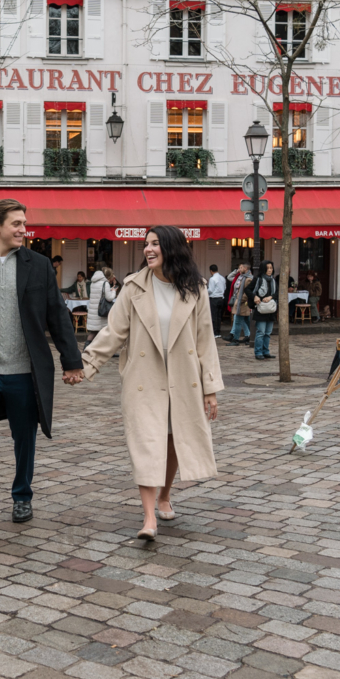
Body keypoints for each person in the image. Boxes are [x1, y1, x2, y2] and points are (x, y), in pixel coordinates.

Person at [0, 199, 83, 550]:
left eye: (25, 223)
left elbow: (57, 315)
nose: (24, 229)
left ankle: (22, 494)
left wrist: (72, 360)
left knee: (25, 440)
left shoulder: (38, 266)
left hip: (26, 372)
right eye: (17, 223)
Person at [78, 225, 222, 540]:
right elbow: (113, 332)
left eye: (155, 244)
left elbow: (205, 341)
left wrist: (210, 389)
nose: (148, 249)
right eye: (146, 244)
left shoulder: (195, 288)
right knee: (147, 441)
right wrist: (85, 364)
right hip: (144, 377)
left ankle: (165, 495)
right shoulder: (133, 287)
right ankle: (148, 519)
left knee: (172, 440)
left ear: (172, 248)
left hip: (183, 378)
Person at [251, 261, 278, 360]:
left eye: (271, 268)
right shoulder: (258, 279)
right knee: (261, 332)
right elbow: (248, 290)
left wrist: (270, 297)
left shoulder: (273, 280)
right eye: (268, 268)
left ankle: (266, 351)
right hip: (261, 309)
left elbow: (277, 293)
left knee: (268, 333)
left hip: (270, 309)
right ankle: (258, 352)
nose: (270, 270)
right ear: (263, 269)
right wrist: (255, 297)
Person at [228, 264, 253, 345]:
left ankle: (235, 340)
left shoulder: (248, 278)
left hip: (242, 303)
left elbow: (247, 293)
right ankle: (247, 337)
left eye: (241, 268)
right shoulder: (241, 277)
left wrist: (239, 300)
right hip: (238, 302)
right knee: (244, 321)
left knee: (238, 321)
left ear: (245, 268)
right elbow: (230, 278)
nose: (239, 269)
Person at [86, 265, 110, 342]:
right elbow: (109, 297)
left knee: (94, 332)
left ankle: (86, 348)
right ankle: (106, 350)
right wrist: (113, 291)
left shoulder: (92, 283)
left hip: (93, 312)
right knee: (105, 331)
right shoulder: (105, 283)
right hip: (101, 312)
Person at [206, 264, 226, 338]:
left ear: (211, 271)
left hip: (214, 298)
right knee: (219, 316)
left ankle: (214, 332)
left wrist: (205, 291)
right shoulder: (222, 278)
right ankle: (218, 332)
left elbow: (210, 290)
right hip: (221, 298)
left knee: (214, 316)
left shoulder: (212, 279)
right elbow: (224, 287)